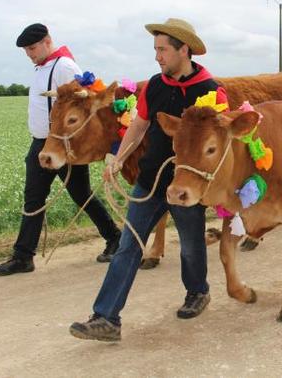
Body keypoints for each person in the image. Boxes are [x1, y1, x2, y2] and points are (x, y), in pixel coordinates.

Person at [70, 18, 222, 342]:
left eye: (163, 49)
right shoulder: (154, 85)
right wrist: (119, 158)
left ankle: (198, 291)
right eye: (156, 50)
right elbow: (139, 126)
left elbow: (219, 143)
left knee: (191, 247)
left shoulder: (210, 91)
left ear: (184, 49)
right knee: (128, 247)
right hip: (150, 180)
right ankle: (106, 318)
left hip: (185, 188)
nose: (157, 56)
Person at [0, 24, 121, 276]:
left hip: (63, 144)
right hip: (41, 143)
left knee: (81, 194)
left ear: (47, 41)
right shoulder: (42, 68)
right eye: (26, 50)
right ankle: (23, 257)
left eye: (32, 47)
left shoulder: (64, 66)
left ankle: (115, 237)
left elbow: (83, 103)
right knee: (34, 197)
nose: (29, 53)